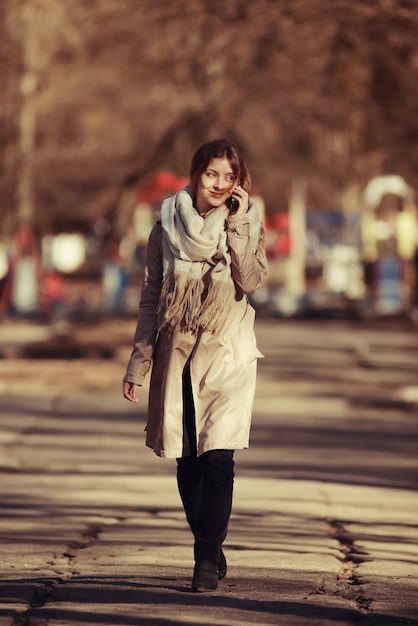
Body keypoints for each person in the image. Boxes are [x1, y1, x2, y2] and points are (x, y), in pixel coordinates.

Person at [123, 138, 268, 592]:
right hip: (178, 354)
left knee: (219, 456)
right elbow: (151, 299)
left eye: (229, 177)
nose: (220, 184)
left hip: (227, 354)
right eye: (212, 174)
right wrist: (138, 364)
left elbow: (251, 280)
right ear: (196, 174)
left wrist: (241, 223)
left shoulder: (244, 222)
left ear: (238, 182)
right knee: (187, 460)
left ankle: (205, 555)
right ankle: (210, 542)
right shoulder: (164, 226)